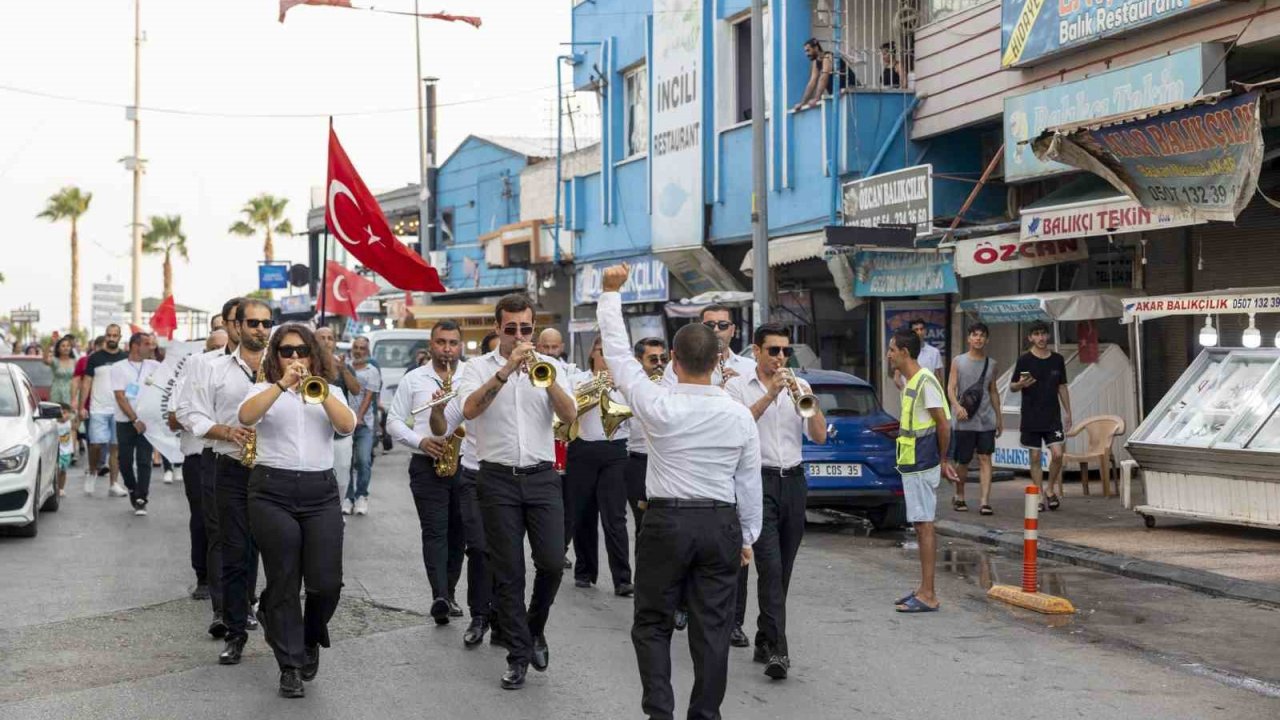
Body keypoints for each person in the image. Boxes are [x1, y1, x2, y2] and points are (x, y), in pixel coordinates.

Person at [597, 263, 761, 720]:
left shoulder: (658, 403)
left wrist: (611, 294)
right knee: (712, 628)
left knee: (651, 622)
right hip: (719, 522)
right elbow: (748, 481)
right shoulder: (738, 415)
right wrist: (747, 536)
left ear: (672, 357)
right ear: (717, 361)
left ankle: (660, 713)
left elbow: (616, 354)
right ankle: (704, 715)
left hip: (666, 521)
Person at [453, 293, 577, 690]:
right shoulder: (475, 368)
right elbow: (469, 410)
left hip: (542, 475)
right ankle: (518, 654)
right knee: (507, 572)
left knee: (553, 563)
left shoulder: (551, 367)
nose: (520, 335)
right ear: (498, 329)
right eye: (512, 329)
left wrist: (548, 375)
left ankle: (533, 627)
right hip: (496, 477)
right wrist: (506, 370)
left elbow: (570, 415)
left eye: (527, 328)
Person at [237, 323, 354, 698]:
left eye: (301, 351)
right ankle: (290, 665)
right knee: (285, 578)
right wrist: (282, 385)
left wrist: (318, 394)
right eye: (286, 351)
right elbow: (246, 417)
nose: (295, 358)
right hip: (272, 491)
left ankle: (308, 635)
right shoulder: (264, 389)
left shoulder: (329, 390)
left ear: (313, 354)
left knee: (326, 582)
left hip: (320, 492)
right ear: (276, 356)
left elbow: (347, 426)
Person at [725, 323, 827, 679]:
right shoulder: (738, 386)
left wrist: (805, 400)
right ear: (756, 351)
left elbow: (819, 435)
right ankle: (779, 653)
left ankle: (765, 637)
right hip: (758, 482)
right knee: (768, 567)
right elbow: (739, 427)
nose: (781, 358)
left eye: (785, 351)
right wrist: (770, 393)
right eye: (774, 351)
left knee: (782, 571)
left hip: (794, 482)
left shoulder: (800, 387)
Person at [388, 320, 492, 638]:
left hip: (467, 464)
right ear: (430, 345)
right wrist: (420, 442)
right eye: (441, 342)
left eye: (453, 343)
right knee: (435, 531)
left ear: (460, 346)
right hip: (426, 463)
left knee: (460, 534)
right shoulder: (413, 379)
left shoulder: (473, 375)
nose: (447, 349)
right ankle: (440, 596)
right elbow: (393, 421)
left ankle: (451, 593)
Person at [185, 299, 271, 665]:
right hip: (231, 467)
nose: (260, 330)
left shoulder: (284, 364)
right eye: (252, 323)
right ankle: (235, 631)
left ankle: (269, 615)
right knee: (235, 552)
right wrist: (223, 431)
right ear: (237, 325)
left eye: (267, 323)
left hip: (275, 470)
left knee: (282, 556)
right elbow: (189, 411)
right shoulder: (211, 367)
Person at [665, 304, 756, 635]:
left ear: (733, 330)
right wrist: (714, 393)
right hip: (693, 471)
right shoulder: (677, 367)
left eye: (723, 324)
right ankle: (685, 603)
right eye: (710, 325)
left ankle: (734, 621)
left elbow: (749, 420)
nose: (717, 330)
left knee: (735, 555)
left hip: (732, 459)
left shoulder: (747, 368)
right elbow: (669, 413)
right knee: (692, 549)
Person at [175, 304, 242, 636]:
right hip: (208, 455)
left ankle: (245, 603)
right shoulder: (199, 366)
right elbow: (181, 414)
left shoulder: (265, 364)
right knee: (213, 528)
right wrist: (220, 429)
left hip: (253, 460)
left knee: (249, 538)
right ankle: (220, 606)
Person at [887, 329, 957, 613]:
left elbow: (943, 423)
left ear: (904, 352)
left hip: (922, 461)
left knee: (924, 524)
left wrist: (943, 459)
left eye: (892, 349)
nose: (889, 354)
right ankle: (923, 588)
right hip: (912, 461)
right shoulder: (911, 381)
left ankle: (929, 594)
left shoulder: (925, 380)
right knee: (919, 524)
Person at [566, 337, 634, 597]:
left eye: (610, 352)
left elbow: (633, 417)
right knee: (583, 513)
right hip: (582, 449)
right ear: (592, 355)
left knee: (615, 516)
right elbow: (569, 410)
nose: (606, 357)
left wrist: (615, 386)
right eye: (601, 351)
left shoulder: (625, 384)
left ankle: (622, 578)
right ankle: (584, 571)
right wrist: (596, 388)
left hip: (615, 451)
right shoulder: (578, 380)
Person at [1011, 321, 1072, 510]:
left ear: (1048, 336)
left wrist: (1068, 412)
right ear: (1030, 337)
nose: (1041, 338)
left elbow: (1062, 386)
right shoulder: (1024, 360)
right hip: (1031, 416)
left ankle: (1050, 489)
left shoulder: (1057, 359)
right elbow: (1013, 386)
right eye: (1036, 334)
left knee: (1058, 454)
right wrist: (1021, 384)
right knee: (1035, 456)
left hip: (1052, 416)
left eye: (1043, 334)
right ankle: (1038, 494)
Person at [947, 323, 1002, 515]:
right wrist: (957, 406)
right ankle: (960, 495)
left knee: (986, 457)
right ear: (969, 338)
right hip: (964, 420)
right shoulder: (958, 361)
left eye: (982, 336)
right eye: (974, 335)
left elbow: (993, 391)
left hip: (986, 419)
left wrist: (999, 418)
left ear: (987, 340)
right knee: (963, 461)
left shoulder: (992, 364)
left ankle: (985, 501)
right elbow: (950, 387)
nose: (978, 338)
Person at [111, 332, 161, 515]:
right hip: (126, 421)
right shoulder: (118, 368)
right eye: (147, 344)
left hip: (147, 422)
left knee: (144, 460)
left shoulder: (154, 366)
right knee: (124, 460)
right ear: (135, 346)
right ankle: (132, 488)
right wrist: (134, 419)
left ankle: (142, 498)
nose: (151, 347)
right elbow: (120, 396)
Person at [625, 338, 667, 540]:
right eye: (653, 359)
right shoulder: (631, 387)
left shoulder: (671, 384)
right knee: (644, 525)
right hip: (639, 461)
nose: (659, 363)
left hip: (667, 460)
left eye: (662, 358)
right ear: (638, 361)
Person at [315, 327, 361, 500]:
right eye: (322, 338)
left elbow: (356, 390)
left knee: (341, 479)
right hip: (316, 433)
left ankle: (338, 512)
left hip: (340, 436)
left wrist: (343, 370)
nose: (326, 341)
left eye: (330, 338)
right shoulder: (308, 364)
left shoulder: (344, 365)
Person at [82, 325, 128, 497]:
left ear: (119, 337)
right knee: (95, 445)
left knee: (115, 447)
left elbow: (131, 384)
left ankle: (114, 484)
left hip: (119, 409)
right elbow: (86, 382)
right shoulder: (95, 358)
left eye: (115, 335)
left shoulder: (125, 358)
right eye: (109, 335)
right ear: (105, 336)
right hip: (98, 409)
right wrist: (81, 406)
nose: (111, 338)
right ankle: (93, 471)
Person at [341, 336, 381, 516]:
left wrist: (358, 416)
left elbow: (368, 396)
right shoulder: (345, 366)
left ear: (368, 351)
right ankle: (348, 497)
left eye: (362, 348)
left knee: (363, 461)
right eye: (355, 347)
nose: (358, 351)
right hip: (344, 423)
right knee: (346, 462)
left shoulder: (372, 371)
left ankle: (361, 495)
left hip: (364, 424)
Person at [73, 336, 105, 476]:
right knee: (92, 437)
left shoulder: (112, 362)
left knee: (104, 437)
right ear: (96, 347)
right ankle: (93, 465)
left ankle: (101, 464)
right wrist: (76, 401)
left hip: (106, 405)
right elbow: (76, 381)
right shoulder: (83, 361)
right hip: (88, 405)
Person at [895, 318, 943, 389]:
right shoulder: (904, 352)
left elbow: (938, 378)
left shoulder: (934, 352)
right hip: (910, 394)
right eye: (916, 330)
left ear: (925, 331)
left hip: (928, 394)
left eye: (921, 329)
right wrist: (905, 391)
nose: (919, 332)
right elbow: (897, 378)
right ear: (911, 333)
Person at [46, 336, 77, 408]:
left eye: (68, 346)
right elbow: (45, 360)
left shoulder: (75, 361)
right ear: (58, 349)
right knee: (56, 415)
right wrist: (50, 345)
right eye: (63, 346)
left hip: (71, 393)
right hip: (57, 392)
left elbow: (78, 380)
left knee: (71, 415)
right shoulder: (55, 361)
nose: (66, 348)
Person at [56, 403, 74, 497]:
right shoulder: (54, 423)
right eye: (61, 413)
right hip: (58, 452)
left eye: (65, 413)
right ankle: (55, 487)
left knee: (64, 471)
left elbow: (76, 427)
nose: (63, 415)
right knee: (57, 471)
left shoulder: (69, 422)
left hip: (67, 452)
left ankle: (61, 488)